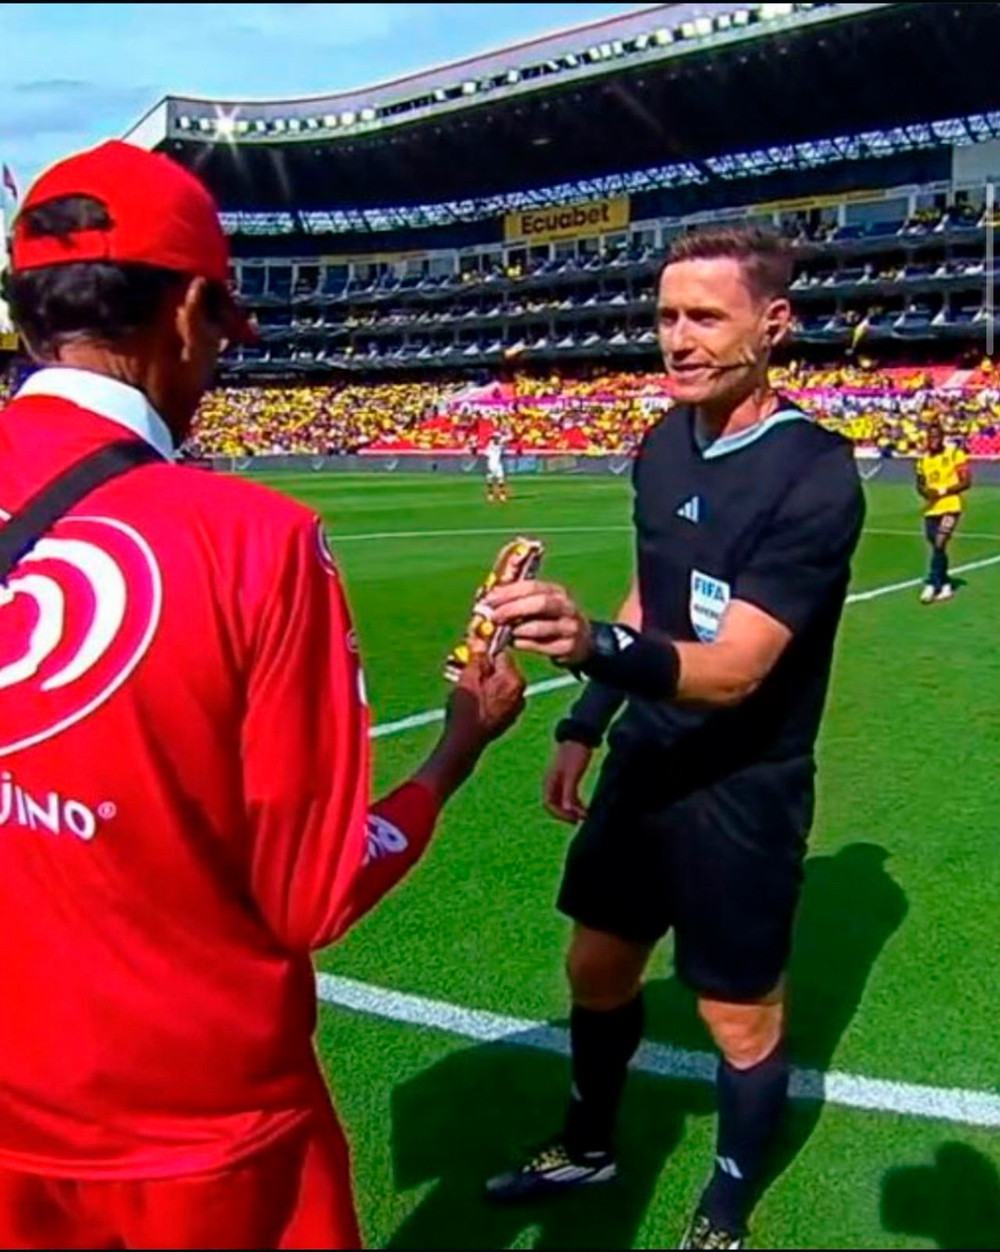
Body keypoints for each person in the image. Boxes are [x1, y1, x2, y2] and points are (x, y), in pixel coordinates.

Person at [0, 141, 524, 1250]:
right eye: (220, 336)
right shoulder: (257, 541)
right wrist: (453, 754)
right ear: (189, 311)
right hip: (198, 1135)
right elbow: (311, 893)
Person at [481, 226, 865, 1249]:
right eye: (665, 316)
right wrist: (586, 715)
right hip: (646, 756)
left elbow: (736, 668)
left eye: (704, 316)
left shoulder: (815, 476)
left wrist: (593, 646)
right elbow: (655, 586)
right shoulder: (660, 440)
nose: (678, 339)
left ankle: (724, 1206)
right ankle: (587, 1139)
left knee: (738, 1017)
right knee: (595, 967)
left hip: (741, 783)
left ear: (771, 325)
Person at [915, 421, 970, 603]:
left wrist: (943, 491)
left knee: (940, 542)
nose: (934, 440)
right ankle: (945, 583)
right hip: (931, 509)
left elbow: (966, 481)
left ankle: (932, 583)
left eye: (937, 437)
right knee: (937, 547)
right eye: (931, 437)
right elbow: (920, 485)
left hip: (951, 506)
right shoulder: (922, 460)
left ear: (943, 438)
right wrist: (926, 493)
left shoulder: (955, 454)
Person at [484, 432, 508, 503]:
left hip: (498, 465)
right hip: (491, 465)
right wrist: (487, 466)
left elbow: (508, 438)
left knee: (501, 480)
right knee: (490, 481)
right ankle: (490, 494)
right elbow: (487, 456)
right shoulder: (490, 445)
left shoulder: (501, 444)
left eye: (497, 437)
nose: (495, 439)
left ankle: (502, 495)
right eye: (494, 437)